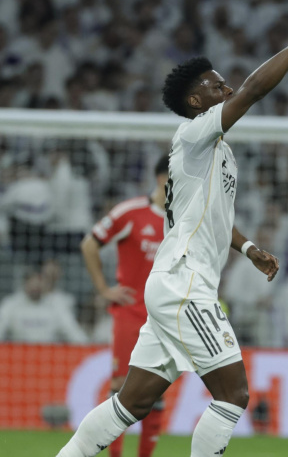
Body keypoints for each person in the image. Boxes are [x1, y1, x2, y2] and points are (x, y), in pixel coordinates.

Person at [56, 0, 288, 457]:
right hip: (185, 284)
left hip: (174, 282)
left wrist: (248, 247)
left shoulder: (217, 152)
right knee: (233, 396)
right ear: (196, 102)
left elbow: (208, 215)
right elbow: (252, 90)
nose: (227, 87)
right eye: (216, 85)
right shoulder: (194, 135)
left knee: (131, 402)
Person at [79, 156, 169, 457]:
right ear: (162, 178)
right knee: (121, 387)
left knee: (156, 391)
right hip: (131, 315)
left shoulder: (181, 220)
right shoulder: (130, 213)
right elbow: (89, 244)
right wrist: (104, 289)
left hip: (164, 318)